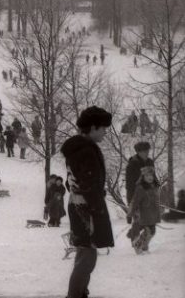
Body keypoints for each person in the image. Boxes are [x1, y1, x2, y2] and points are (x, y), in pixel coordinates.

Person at [60, 106, 114, 298]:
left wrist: (87, 191)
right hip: (86, 208)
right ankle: (75, 295)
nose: (105, 132)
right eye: (103, 128)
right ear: (92, 127)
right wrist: (96, 203)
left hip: (78, 204)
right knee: (87, 256)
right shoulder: (86, 151)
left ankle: (79, 293)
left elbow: (71, 181)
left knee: (85, 254)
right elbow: (88, 184)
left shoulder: (77, 149)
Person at [126, 166, 160, 252]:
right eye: (147, 175)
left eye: (151, 175)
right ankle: (137, 245)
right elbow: (134, 201)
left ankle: (143, 245)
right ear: (143, 177)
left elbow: (156, 200)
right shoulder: (141, 188)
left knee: (152, 232)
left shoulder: (155, 187)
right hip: (143, 214)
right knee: (146, 231)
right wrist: (130, 214)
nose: (150, 177)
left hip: (152, 214)